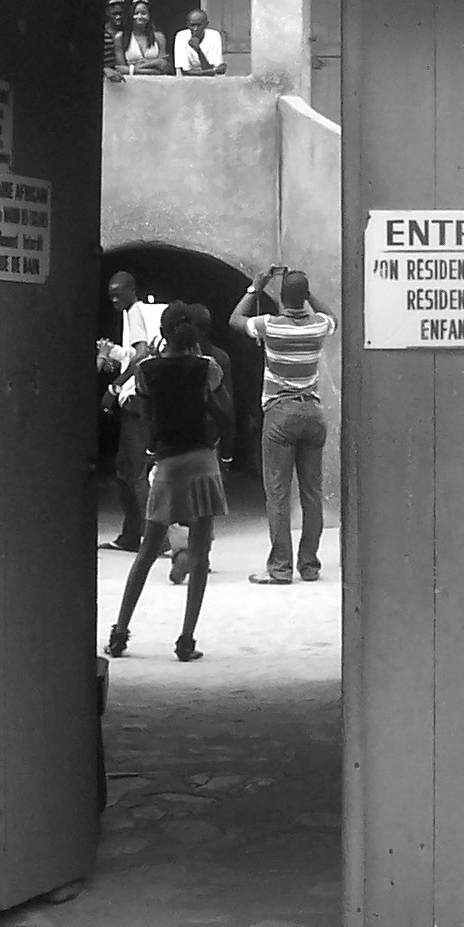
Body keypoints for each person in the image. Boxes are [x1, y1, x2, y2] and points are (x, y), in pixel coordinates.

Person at [107, 303, 231, 663]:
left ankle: (119, 633)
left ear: (162, 332)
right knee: (200, 551)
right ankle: (186, 640)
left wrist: (154, 448)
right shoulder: (209, 368)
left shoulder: (147, 372)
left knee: (147, 553)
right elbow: (220, 407)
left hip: (168, 464)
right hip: (204, 463)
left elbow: (149, 420)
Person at [230, 264, 337, 584]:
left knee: (277, 494)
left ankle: (279, 568)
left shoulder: (271, 326)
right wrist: (306, 292)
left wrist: (255, 287)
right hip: (313, 414)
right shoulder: (318, 325)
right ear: (303, 297)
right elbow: (329, 313)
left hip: (280, 414)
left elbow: (234, 320)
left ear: (282, 298)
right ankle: (309, 565)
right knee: (312, 494)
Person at [97, 271, 167, 551]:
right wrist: (112, 352)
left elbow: (141, 356)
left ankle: (156, 539)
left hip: (138, 403)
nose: (114, 299)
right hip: (135, 403)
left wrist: (113, 388)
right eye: (110, 294)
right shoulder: (132, 314)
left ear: (132, 290)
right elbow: (133, 354)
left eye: (119, 293)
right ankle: (131, 534)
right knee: (124, 471)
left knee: (137, 473)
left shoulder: (136, 312)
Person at [168, 304, 235, 586]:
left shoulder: (166, 362)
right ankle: (199, 555)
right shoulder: (218, 359)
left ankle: (182, 552)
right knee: (205, 503)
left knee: (177, 503)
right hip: (208, 440)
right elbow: (227, 406)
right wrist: (229, 448)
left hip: (175, 443)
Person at [123, 0, 171, 75]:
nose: (140, 17)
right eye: (136, 13)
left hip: (156, 83)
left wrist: (137, 67)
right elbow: (119, 68)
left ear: (149, 16)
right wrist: (153, 66)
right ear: (130, 16)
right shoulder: (122, 37)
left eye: (144, 13)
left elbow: (164, 66)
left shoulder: (159, 37)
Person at [175, 8, 226, 77]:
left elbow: (211, 72)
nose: (195, 29)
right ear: (187, 24)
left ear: (206, 25)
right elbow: (184, 72)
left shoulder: (214, 36)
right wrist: (213, 70)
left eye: (198, 25)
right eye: (192, 25)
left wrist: (198, 50)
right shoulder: (181, 36)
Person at [102, 0, 127, 82]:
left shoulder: (129, 33)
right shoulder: (101, 32)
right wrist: (104, 69)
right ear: (107, 13)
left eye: (121, 13)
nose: (118, 17)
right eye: (114, 14)